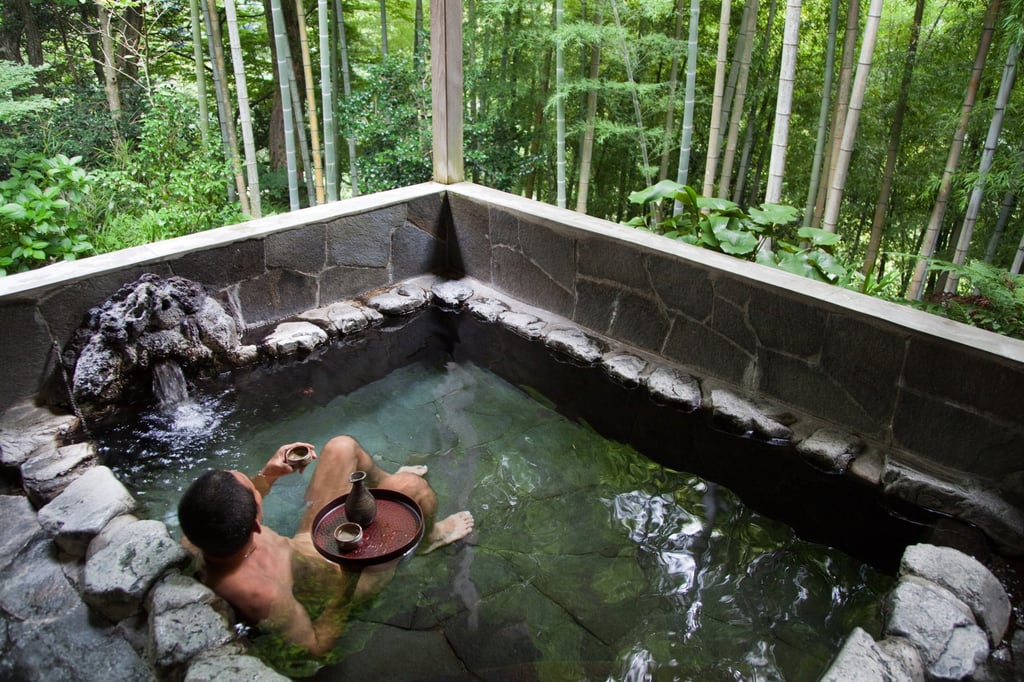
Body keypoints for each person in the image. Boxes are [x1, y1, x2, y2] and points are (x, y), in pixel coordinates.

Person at [177, 435, 474, 657]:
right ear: (256, 525)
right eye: (256, 494)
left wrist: (269, 474)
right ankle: (430, 538)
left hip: (308, 542)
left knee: (341, 446)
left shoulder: (198, 531)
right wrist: (349, 577)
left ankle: (384, 480)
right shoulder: (262, 594)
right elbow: (316, 646)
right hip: (341, 575)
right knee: (414, 490)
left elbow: (237, 504)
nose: (258, 491)